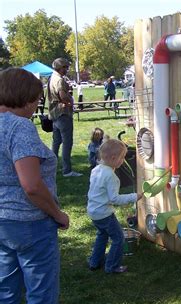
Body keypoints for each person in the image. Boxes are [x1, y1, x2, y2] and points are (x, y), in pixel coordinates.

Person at [0, 68, 70, 304]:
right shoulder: (20, 127)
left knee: (4, 287)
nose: (35, 106)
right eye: (36, 100)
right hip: (31, 224)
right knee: (41, 293)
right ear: (26, 98)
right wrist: (57, 214)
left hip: (3, 224)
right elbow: (31, 185)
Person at [87, 139, 142, 273]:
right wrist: (134, 196)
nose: (123, 160)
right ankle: (112, 266)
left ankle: (94, 262)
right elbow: (115, 199)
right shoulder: (110, 176)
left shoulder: (96, 169)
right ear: (113, 158)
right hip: (104, 214)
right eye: (122, 157)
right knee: (118, 239)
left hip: (93, 212)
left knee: (102, 235)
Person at [48, 58, 82, 177]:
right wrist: (70, 100)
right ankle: (67, 170)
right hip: (63, 113)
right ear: (59, 67)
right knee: (67, 142)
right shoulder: (59, 80)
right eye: (65, 67)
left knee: (56, 142)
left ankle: (51, 167)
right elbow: (63, 96)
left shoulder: (51, 78)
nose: (67, 70)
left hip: (54, 114)